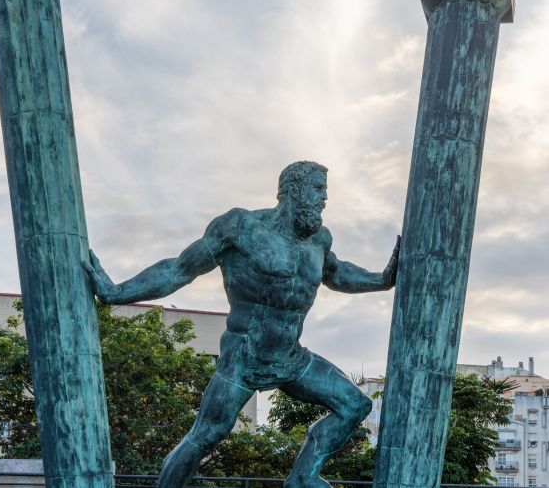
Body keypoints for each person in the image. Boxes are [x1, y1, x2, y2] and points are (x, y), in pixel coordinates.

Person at [83, 161, 399, 488]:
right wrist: (116, 292)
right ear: (294, 189)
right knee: (206, 435)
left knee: (354, 405)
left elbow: (338, 273)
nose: (324, 199)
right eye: (319, 189)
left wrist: (382, 279)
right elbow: (178, 270)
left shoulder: (319, 241)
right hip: (244, 360)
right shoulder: (240, 226)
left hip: (291, 359)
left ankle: (303, 477)